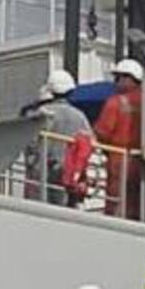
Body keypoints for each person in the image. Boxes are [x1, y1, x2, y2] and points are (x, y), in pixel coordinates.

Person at [32, 70, 93, 207]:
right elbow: (89, 143)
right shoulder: (79, 116)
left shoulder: (42, 114)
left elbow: (31, 142)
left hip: (43, 170)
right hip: (69, 172)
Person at [95, 58, 143, 220]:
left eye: (119, 78)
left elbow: (102, 132)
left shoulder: (114, 102)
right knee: (138, 201)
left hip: (118, 158)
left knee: (116, 201)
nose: (116, 82)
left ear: (129, 78)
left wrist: (106, 150)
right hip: (142, 160)